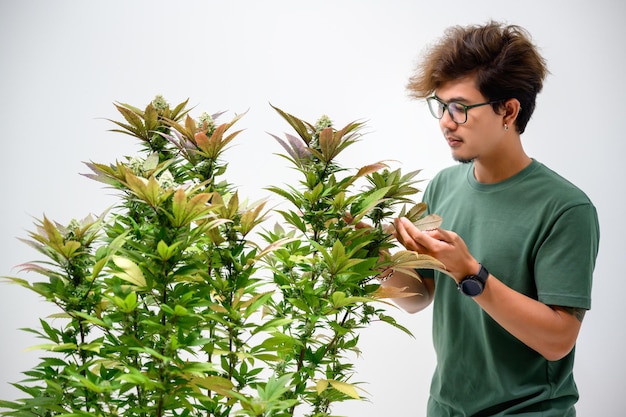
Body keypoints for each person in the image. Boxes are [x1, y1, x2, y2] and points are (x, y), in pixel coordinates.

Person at [383, 21, 600, 416]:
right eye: (441, 105)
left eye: (460, 108)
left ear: (509, 110)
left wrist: (470, 273)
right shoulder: (442, 187)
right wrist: (374, 257)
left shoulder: (565, 208)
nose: (446, 122)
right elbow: (418, 297)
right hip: (445, 408)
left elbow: (557, 341)